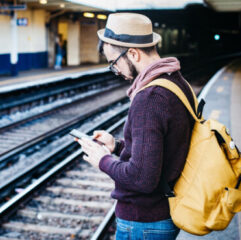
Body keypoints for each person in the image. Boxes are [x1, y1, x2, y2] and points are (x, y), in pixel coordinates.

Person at [76, 13, 195, 240]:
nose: (116, 70)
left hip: (144, 222)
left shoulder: (149, 98)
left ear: (132, 53)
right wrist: (118, 146)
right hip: (161, 215)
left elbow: (141, 178)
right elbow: (161, 150)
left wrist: (102, 159)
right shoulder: (177, 81)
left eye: (114, 62)